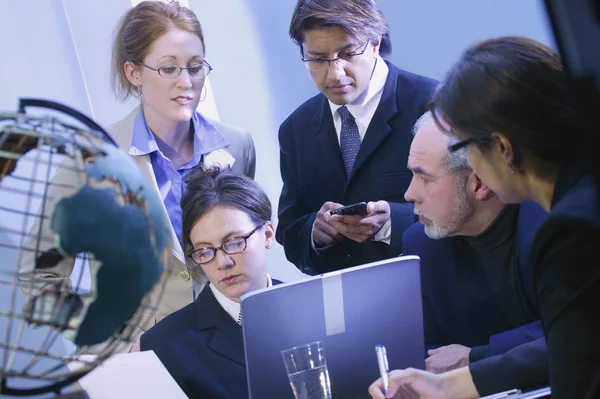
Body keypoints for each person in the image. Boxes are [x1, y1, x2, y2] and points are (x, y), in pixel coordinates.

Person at [369, 36, 600, 399]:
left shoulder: (572, 228)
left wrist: (459, 378)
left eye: (466, 148)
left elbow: (575, 352)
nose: (409, 194)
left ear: (504, 149)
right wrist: (446, 385)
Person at [19, 0, 256, 343]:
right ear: (134, 73)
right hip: (143, 360)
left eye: (195, 67)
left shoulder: (237, 145)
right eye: (169, 68)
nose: (186, 82)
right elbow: (38, 274)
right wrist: (110, 342)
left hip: (230, 347)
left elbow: (245, 248)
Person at [276, 0, 437, 275]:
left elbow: (473, 205)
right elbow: (289, 231)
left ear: (375, 42)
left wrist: (394, 222)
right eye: (317, 59)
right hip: (347, 310)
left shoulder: (434, 105)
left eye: (348, 53)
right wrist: (314, 232)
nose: (335, 73)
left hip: (436, 295)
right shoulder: (295, 130)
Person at [402, 112, 548, 395]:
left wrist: (478, 356)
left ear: (479, 183)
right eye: (412, 174)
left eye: (424, 178)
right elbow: (426, 356)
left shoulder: (553, 222)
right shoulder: (420, 244)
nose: (409, 194)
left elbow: (577, 335)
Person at [140, 167, 280, 399]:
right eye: (205, 251)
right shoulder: (163, 345)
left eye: (234, 242)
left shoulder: (314, 308)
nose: (222, 262)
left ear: (267, 234)